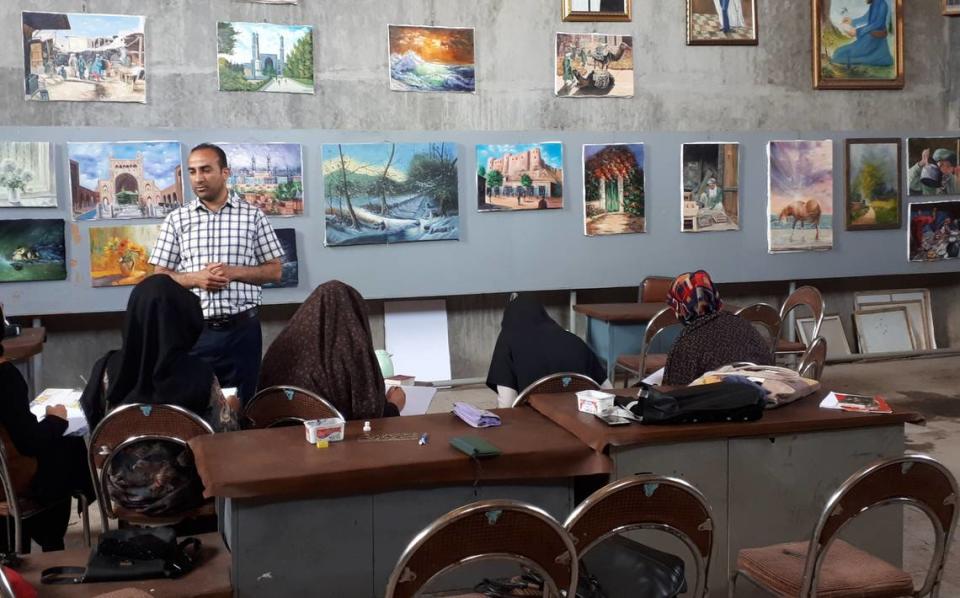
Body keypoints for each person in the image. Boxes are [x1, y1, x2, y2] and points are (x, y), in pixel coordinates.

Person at [80, 275, 238, 516]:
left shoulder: (106, 369)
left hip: (123, 492)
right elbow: (225, 438)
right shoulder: (199, 374)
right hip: (187, 491)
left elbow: (96, 433)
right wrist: (233, 408)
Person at [150, 143, 284, 405]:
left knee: (243, 408)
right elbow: (159, 279)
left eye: (206, 170)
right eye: (192, 171)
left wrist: (235, 272)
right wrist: (194, 279)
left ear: (225, 172)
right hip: (194, 333)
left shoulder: (253, 216)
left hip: (242, 331)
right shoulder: (177, 220)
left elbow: (275, 271)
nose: (198, 178)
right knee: (197, 406)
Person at [0, 307, 93, 552]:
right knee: (68, 446)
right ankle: (52, 543)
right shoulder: (5, 377)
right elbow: (30, 442)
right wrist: (56, 418)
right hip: (12, 481)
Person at [258, 280, 406, 420]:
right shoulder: (350, 357)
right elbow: (370, 420)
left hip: (274, 440)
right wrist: (394, 406)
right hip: (330, 442)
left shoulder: (277, 353)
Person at [486, 296, 610, 408]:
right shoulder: (574, 340)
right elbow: (608, 390)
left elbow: (507, 404)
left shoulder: (506, 342)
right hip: (580, 419)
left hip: (535, 425)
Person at [662, 271, 774, 386]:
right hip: (765, 397)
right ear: (713, 295)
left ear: (681, 307)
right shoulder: (744, 325)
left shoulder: (687, 341)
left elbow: (674, 391)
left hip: (720, 401)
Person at [831, 0, 893, 68]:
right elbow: (865, 18)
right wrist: (852, 21)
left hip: (874, 41)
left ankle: (879, 59)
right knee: (838, 53)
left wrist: (857, 31)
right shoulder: (874, 4)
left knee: (839, 55)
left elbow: (877, 24)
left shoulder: (882, 4)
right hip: (868, 38)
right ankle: (877, 59)